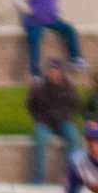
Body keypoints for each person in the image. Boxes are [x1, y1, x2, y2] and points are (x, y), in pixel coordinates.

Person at [17, 0, 84, 78]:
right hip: (34, 21)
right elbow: (16, 0)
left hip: (51, 19)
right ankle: (36, 73)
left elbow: (57, 1)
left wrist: (55, 11)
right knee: (34, 41)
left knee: (69, 29)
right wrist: (30, 11)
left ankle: (76, 59)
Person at [28, 57, 84, 185]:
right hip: (45, 123)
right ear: (47, 72)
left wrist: (67, 116)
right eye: (51, 70)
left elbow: (76, 104)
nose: (53, 73)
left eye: (56, 70)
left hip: (63, 122)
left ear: (60, 72)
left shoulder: (68, 87)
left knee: (74, 136)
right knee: (39, 136)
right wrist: (39, 119)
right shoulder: (39, 87)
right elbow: (31, 105)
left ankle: (71, 177)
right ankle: (38, 178)